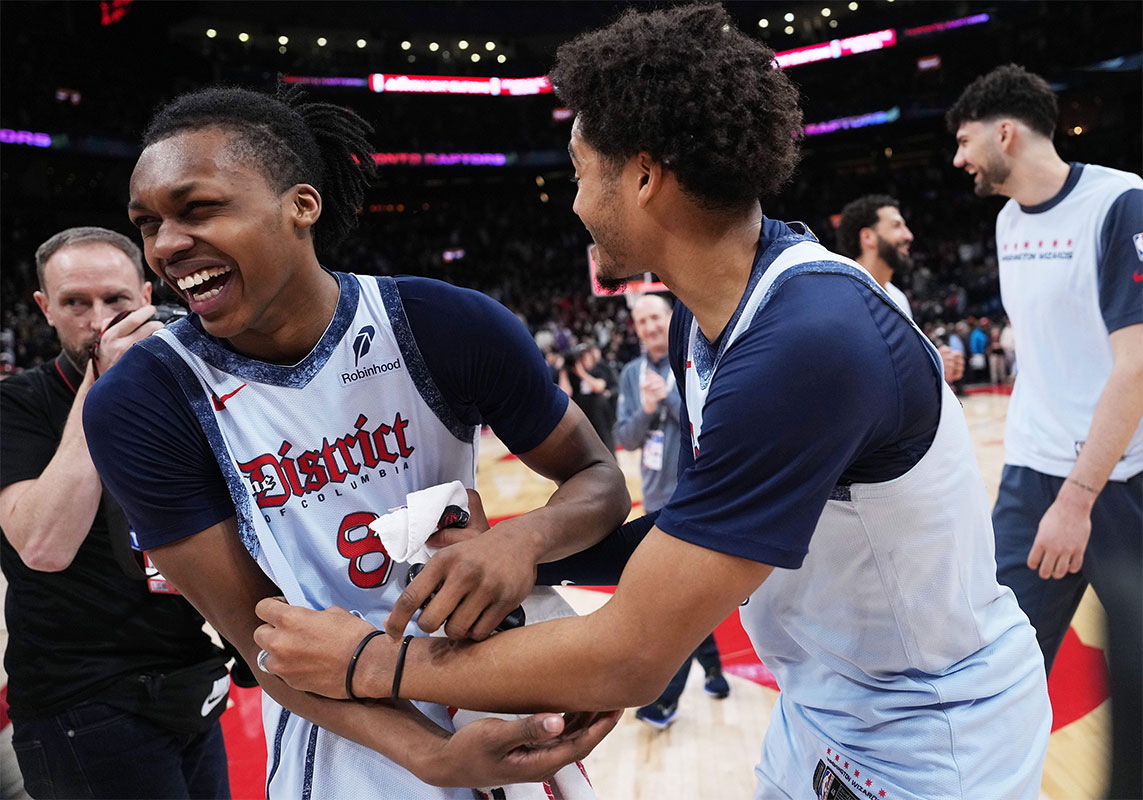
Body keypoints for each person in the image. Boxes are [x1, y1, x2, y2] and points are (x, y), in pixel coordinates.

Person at [254, 8, 1051, 799]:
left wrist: (366, 662)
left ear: (640, 176)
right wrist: (522, 544)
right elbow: (690, 533)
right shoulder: (704, 325)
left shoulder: (808, 342)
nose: (570, 205)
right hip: (821, 705)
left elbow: (632, 657)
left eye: (577, 172)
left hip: (931, 731)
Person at [82, 85, 628, 798]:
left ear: (300, 205)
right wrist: (430, 756)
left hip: (488, 674)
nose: (165, 245)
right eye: (147, 223)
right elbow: (258, 640)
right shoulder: (141, 401)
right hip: (341, 727)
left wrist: (521, 542)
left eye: (198, 208)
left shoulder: (442, 323)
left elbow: (598, 478)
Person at [0, 227, 232, 799]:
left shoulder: (189, 391)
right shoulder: (17, 404)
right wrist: (103, 382)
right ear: (45, 308)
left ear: (148, 299)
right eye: (76, 302)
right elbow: (42, 547)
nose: (97, 319)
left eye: (116, 301)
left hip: (188, 681)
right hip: (83, 702)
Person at [947, 65, 1143, 670]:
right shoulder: (1007, 222)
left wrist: (1077, 500)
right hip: (1030, 478)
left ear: (1005, 133)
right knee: (996, 666)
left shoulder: (1118, 201)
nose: (958, 160)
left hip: (1116, 480)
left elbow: (1136, 367)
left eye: (963, 140)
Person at [613, 294, 729, 729]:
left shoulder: (695, 357)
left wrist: (668, 402)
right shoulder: (630, 373)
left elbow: (712, 422)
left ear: (671, 318)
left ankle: (665, 700)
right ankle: (715, 669)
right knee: (686, 594)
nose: (647, 326)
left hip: (695, 493)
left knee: (672, 603)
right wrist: (644, 409)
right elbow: (626, 437)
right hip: (655, 495)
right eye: (640, 320)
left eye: (654, 317)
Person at [836, 194, 965, 383]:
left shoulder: (898, 297)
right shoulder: (842, 298)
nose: (909, 236)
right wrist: (931, 367)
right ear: (868, 237)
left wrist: (934, 365)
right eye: (897, 226)